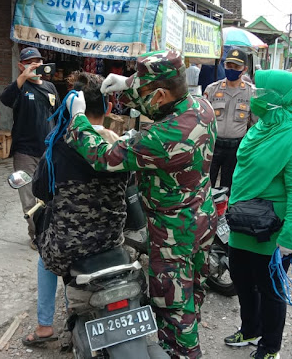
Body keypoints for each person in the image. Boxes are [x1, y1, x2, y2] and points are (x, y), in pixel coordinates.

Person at [65, 50, 217, 359]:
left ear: (161, 94)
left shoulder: (164, 136)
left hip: (174, 233)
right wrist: (126, 83)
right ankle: (187, 331)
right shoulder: (202, 106)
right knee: (193, 292)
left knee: (173, 307)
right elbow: (154, 93)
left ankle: (182, 352)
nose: (139, 95)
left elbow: (103, 157)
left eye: (145, 91)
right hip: (202, 217)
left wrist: (79, 120)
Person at [22, 72, 125, 345]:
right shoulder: (120, 145)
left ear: (70, 107)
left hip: (69, 246)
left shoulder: (59, 144)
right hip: (113, 240)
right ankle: (73, 313)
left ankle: (45, 326)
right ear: (109, 107)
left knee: (46, 257)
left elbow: (40, 190)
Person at [223, 70, 292, 359]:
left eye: (262, 91)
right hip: (242, 222)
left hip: (272, 229)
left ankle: (270, 346)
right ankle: (250, 329)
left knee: (270, 288)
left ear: (279, 97)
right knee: (240, 278)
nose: (256, 96)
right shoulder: (262, 127)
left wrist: (289, 235)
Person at [0, 47, 60, 249]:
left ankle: (49, 232)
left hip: (47, 153)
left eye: (38, 62)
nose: (35, 66)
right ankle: (36, 234)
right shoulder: (19, 88)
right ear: (20, 66)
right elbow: (5, 99)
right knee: (28, 198)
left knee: (49, 195)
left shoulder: (51, 88)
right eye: (29, 62)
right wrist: (23, 77)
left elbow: (58, 115)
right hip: (24, 152)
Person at [204, 48, 256, 189]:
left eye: (236, 67)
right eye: (229, 66)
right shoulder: (212, 89)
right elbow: (203, 119)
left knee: (229, 186)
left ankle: (226, 210)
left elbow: (254, 125)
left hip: (236, 148)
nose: (231, 69)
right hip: (213, 146)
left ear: (244, 69)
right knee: (207, 185)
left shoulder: (252, 93)